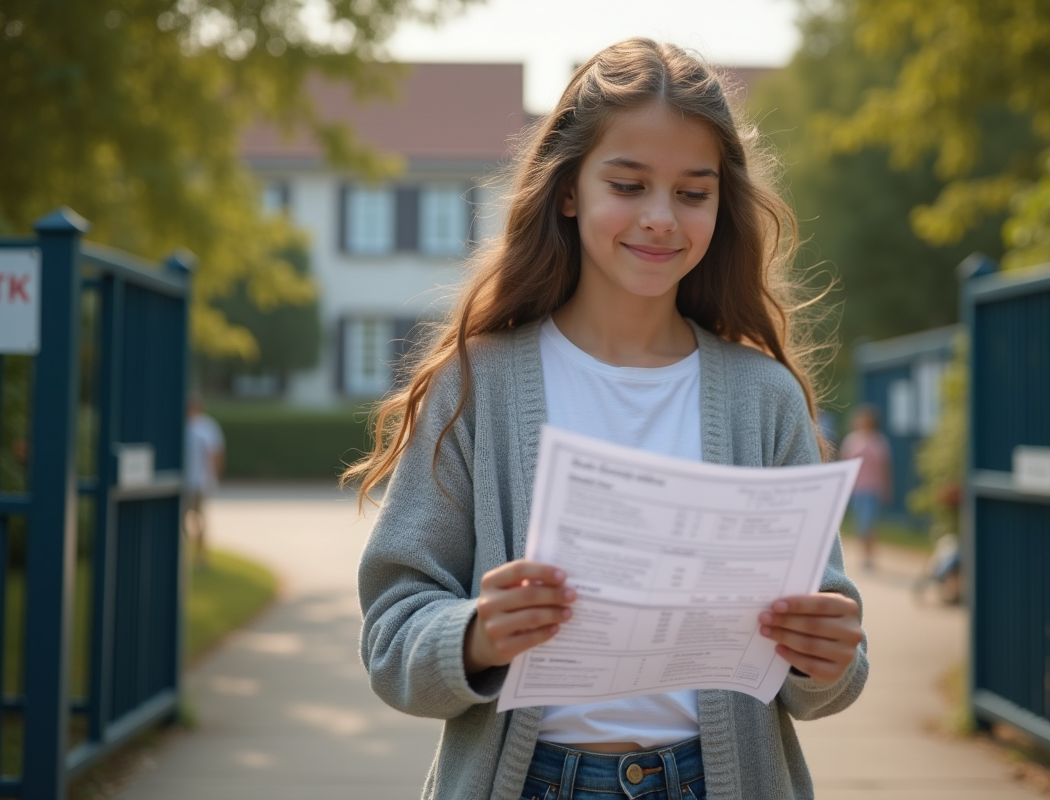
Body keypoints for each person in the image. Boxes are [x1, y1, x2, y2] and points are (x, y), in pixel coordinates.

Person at [347, 39, 868, 800]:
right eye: (628, 185)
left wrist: (827, 658)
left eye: (693, 193)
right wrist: (477, 635)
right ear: (569, 191)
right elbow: (393, 634)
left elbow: (827, 667)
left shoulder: (764, 398)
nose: (661, 218)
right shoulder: (478, 383)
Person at [838, 405, 892, 570]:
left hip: (873, 488)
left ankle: (870, 555)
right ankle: (864, 554)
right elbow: (845, 464)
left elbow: (885, 467)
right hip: (857, 488)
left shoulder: (879, 441)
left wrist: (887, 487)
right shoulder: (851, 440)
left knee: (869, 523)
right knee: (860, 523)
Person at [184, 396, 224, 563]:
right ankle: (186, 554)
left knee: (198, 519)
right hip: (184, 482)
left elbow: (216, 454)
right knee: (184, 520)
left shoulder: (207, 426)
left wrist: (213, 477)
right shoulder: (185, 425)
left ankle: (200, 554)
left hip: (199, 482)